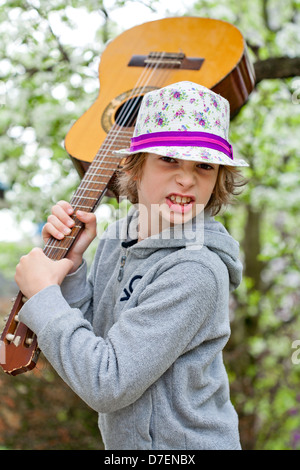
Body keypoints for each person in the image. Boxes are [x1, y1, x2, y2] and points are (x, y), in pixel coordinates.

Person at [15, 81, 249, 450]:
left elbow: (107, 383)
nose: (187, 178)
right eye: (169, 159)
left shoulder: (195, 271)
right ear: (135, 166)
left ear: (219, 177)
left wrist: (44, 296)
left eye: (204, 165)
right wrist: (72, 271)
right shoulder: (115, 237)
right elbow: (90, 345)